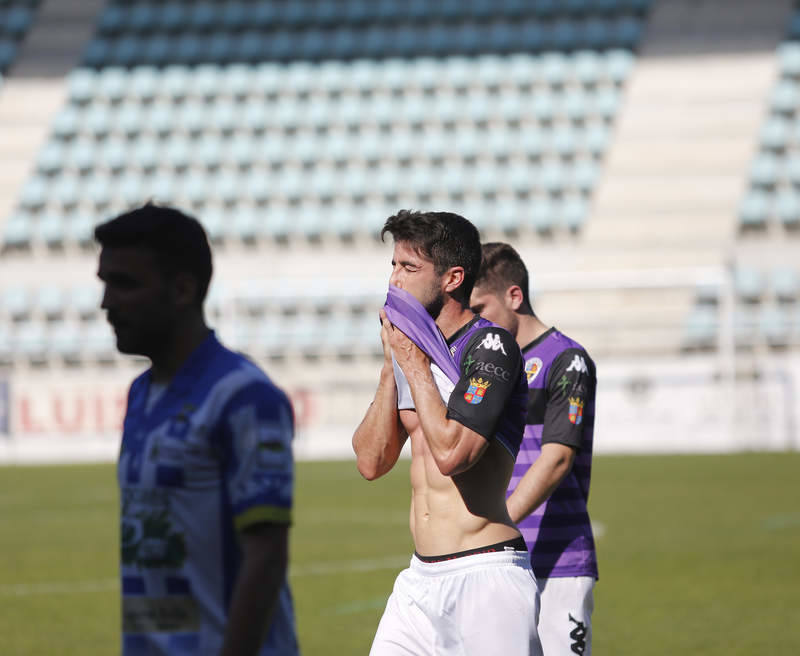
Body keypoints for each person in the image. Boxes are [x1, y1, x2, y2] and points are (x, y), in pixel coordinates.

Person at [95, 203, 298, 656]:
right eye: (105, 283)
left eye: (124, 284)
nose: (106, 302)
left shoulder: (245, 397)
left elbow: (265, 555)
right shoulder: (141, 395)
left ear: (182, 288)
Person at [352, 210, 542, 656]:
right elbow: (370, 462)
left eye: (409, 268)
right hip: (419, 581)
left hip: (487, 577)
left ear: (453, 278)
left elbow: (454, 453)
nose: (395, 280)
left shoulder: (491, 347)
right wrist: (390, 364)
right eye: (393, 266)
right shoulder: (408, 352)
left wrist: (413, 363)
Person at [470, 242, 598, 656]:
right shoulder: (487, 364)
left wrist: (497, 521)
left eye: (481, 308)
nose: (475, 321)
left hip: (556, 560)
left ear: (514, 296)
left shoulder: (566, 360)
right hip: (496, 558)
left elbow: (557, 456)